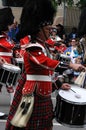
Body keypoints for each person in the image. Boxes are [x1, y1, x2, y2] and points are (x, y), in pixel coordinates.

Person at [5, 0, 85, 130]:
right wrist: (70, 65)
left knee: (45, 124)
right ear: (38, 30)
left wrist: (58, 84)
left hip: (43, 92)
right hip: (33, 95)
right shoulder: (33, 47)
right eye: (48, 29)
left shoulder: (43, 46)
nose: (50, 32)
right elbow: (45, 63)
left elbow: (45, 74)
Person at [0, 7, 16, 105]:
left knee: (10, 85)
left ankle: (13, 105)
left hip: (8, 63)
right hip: (2, 63)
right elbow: (8, 46)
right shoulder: (2, 37)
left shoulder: (7, 36)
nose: (11, 26)